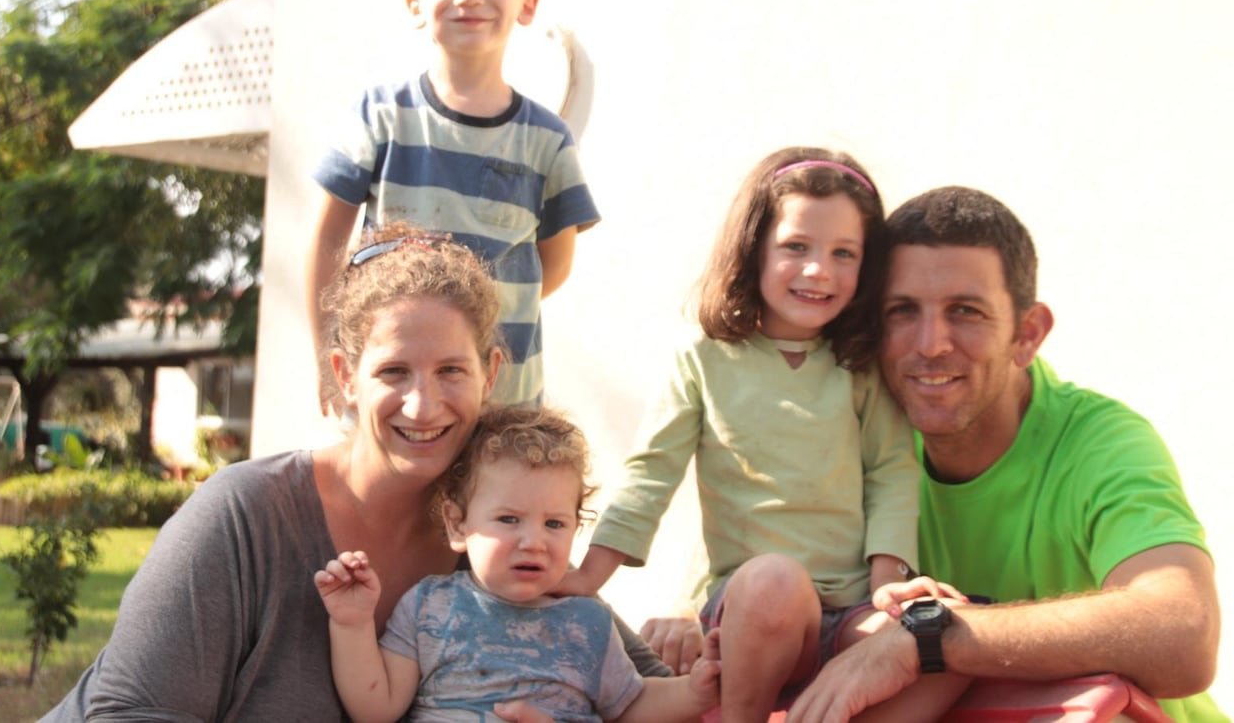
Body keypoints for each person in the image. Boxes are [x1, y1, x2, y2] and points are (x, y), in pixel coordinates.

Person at [41, 225, 663, 721]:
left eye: (452, 370)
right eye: (394, 371)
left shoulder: (503, 529)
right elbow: (129, 713)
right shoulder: (244, 517)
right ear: (345, 376)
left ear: (492, 373)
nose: (423, 405)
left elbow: (653, 691)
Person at [786, 186, 1224, 723]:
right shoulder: (845, 439)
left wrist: (927, 638)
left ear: (1028, 333)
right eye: (902, 311)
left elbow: (1184, 635)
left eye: (965, 311)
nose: (930, 344)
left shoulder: (1102, 441)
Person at [558, 148, 962, 722]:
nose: (819, 270)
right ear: (754, 248)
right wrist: (586, 577)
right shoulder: (705, 358)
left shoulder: (860, 364)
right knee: (774, 579)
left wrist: (885, 590)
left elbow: (891, 474)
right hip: (752, 613)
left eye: (843, 253)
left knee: (949, 636)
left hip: (849, 609)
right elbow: (652, 470)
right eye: (796, 246)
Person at [308, 0, 599, 410]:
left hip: (505, 410)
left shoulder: (548, 140)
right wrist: (328, 352)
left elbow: (552, 266)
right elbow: (328, 240)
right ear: (414, 3)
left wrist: (477, 315)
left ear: (526, 3)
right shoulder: (381, 115)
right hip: (399, 403)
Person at [315, 405, 720, 722]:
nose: (534, 542)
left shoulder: (587, 622)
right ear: (457, 524)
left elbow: (630, 704)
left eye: (555, 524)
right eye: (509, 520)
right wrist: (352, 624)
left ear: (576, 528)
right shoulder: (429, 607)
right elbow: (376, 709)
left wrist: (695, 692)